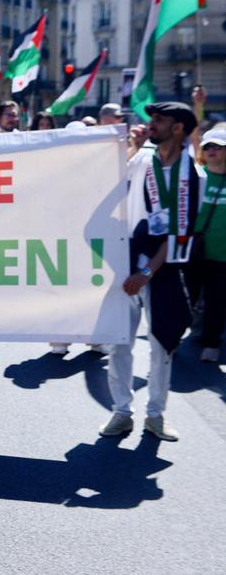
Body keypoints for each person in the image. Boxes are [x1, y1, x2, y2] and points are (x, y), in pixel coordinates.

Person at [101, 101, 205, 442]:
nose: (151, 124)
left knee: (162, 346)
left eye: (158, 120)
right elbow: (110, 181)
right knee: (119, 342)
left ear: (177, 128)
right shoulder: (143, 160)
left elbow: (178, 233)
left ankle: (156, 415)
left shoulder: (194, 176)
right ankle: (121, 412)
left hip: (163, 269)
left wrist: (145, 273)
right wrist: (128, 145)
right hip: (128, 259)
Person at [195, 126, 226, 363]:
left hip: (222, 254)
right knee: (195, 297)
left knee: (216, 298)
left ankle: (212, 342)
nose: (212, 151)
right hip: (196, 252)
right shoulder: (195, 176)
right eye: (208, 147)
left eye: (217, 146)